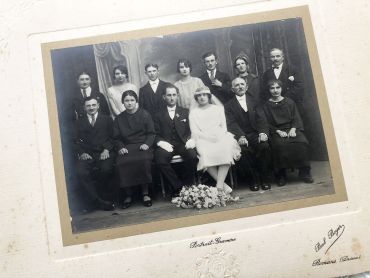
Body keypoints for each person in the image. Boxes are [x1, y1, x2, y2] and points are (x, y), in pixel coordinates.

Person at [189, 86, 240, 194]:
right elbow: (194, 131)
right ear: (196, 98)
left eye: (204, 95)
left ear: (208, 96)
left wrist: (218, 136)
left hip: (220, 136)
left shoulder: (218, 109)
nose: (202, 98)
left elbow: (224, 127)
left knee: (226, 150)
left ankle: (219, 186)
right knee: (205, 154)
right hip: (202, 138)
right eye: (199, 96)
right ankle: (223, 186)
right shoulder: (193, 113)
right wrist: (207, 137)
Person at [262, 80, 313, 186]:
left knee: (302, 142)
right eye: (272, 88)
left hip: (291, 129)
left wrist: (293, 129)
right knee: (279, 145)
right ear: (269, 90)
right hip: (276, 131)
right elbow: (266, 123)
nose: (275, 90)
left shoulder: (289, 102)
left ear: (281, 88)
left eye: (277, 88)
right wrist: (278, 131)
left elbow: (296, 117)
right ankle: (281, 174)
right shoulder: (266, 105)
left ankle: (304, 173)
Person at [225, 77, 272, 191]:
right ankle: (253, 180)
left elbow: (262, 118)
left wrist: (262, 133)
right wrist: (240, 136)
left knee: (264, 146)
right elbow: (231, 123)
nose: (240, 87)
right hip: (240, 135)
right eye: (237, 85)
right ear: (232, 89)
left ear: (246, 87)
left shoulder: (255, 101)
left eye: (242, 84)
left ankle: (264, 178)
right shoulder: (229, 105)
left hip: (255, 133)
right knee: (243, 151)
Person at [154, 84, 198, 196]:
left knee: (192, 156)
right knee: (160, 160)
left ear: (177, 96)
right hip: (166, 145)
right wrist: (161, 143)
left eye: (174, 95)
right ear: (164, 97)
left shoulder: (185, 111)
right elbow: (154, 133)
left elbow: (192, 128)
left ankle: (188, 185)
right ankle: (177, 187)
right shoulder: (157, 114)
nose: (172, 97)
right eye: (169, 95)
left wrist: (191, 139)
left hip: (183, 143)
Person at [113, 90, 156, 208]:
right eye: (126, 101)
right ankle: (128, 194)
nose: (129, 103)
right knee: (122, 162)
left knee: (143, 160)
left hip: (142, 146)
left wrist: (147, 144)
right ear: (123, 102)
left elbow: (151, 133)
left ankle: (145, 193)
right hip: (127, 148)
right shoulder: (119, 118)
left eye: (132, 100)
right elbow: (116, 138)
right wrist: (121, 147)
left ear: (136, 101)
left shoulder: (145, 114)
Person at [75, 97, 115, 211]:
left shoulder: (107, 119)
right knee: (81, 172)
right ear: (84, 107)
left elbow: (113, 137)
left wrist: (107, 149)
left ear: (98, 105)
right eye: (88, 106)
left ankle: (106, 199)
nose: (91, 108)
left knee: (106, 170)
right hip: (87, 154)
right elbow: (75, 141)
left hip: (104, 153)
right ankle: (96, 201)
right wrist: (82, 153)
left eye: (93, 105)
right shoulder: (79, 122)